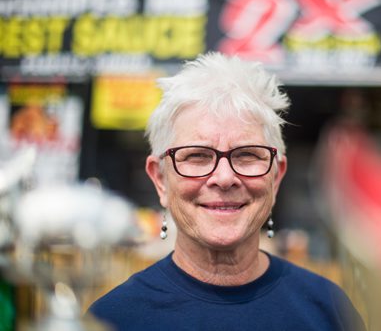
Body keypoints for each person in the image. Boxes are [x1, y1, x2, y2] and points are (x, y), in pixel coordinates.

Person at [88, 52, 366, 331]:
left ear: (276, 177)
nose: (224, 178)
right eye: (197, 156)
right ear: (160, 179)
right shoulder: (110, 320)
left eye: (246, 155)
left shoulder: (329, 309)